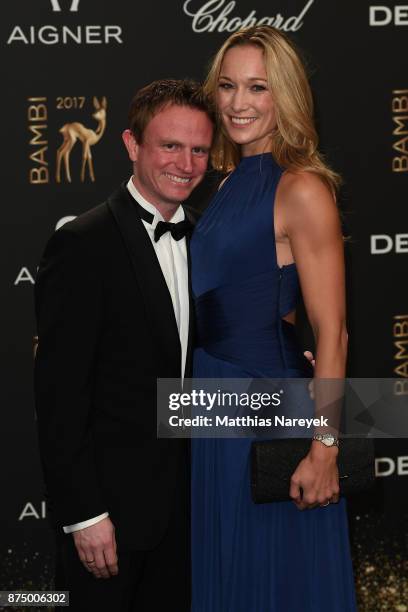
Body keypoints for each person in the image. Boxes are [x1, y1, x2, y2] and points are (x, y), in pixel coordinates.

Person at [190, 26, 357, 611]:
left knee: (270, 574)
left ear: (284, 95)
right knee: (223, 571)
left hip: (266, 404)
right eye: (228, 86)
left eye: (257, 87)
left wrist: (325, 446)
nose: (239, 103)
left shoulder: (302, 188)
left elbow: (331, 330)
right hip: (206, 400)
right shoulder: (215, 185)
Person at [34, 79, 214, 611]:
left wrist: (305, 392)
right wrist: (85, 515)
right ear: (132, 145)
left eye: (199, 149)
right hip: (109, 522)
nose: (185, 163)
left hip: (192, 513)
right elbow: (59, 397)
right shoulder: (82, 244)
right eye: (170, 146)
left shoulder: (208, 238)